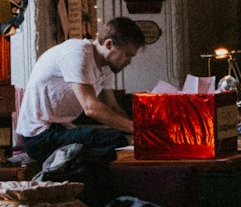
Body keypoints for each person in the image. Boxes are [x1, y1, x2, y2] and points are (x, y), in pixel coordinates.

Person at [16, 16, 145, 166]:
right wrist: (137, 130)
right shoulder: (77, 53)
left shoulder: (106, 66)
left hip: (62, 128)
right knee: (113, 140)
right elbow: (91, 109)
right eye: (127, 55)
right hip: (39, 136)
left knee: (118, 141)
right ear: (109, 44)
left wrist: (134, 131)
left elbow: (113, 107)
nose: (129, 61)